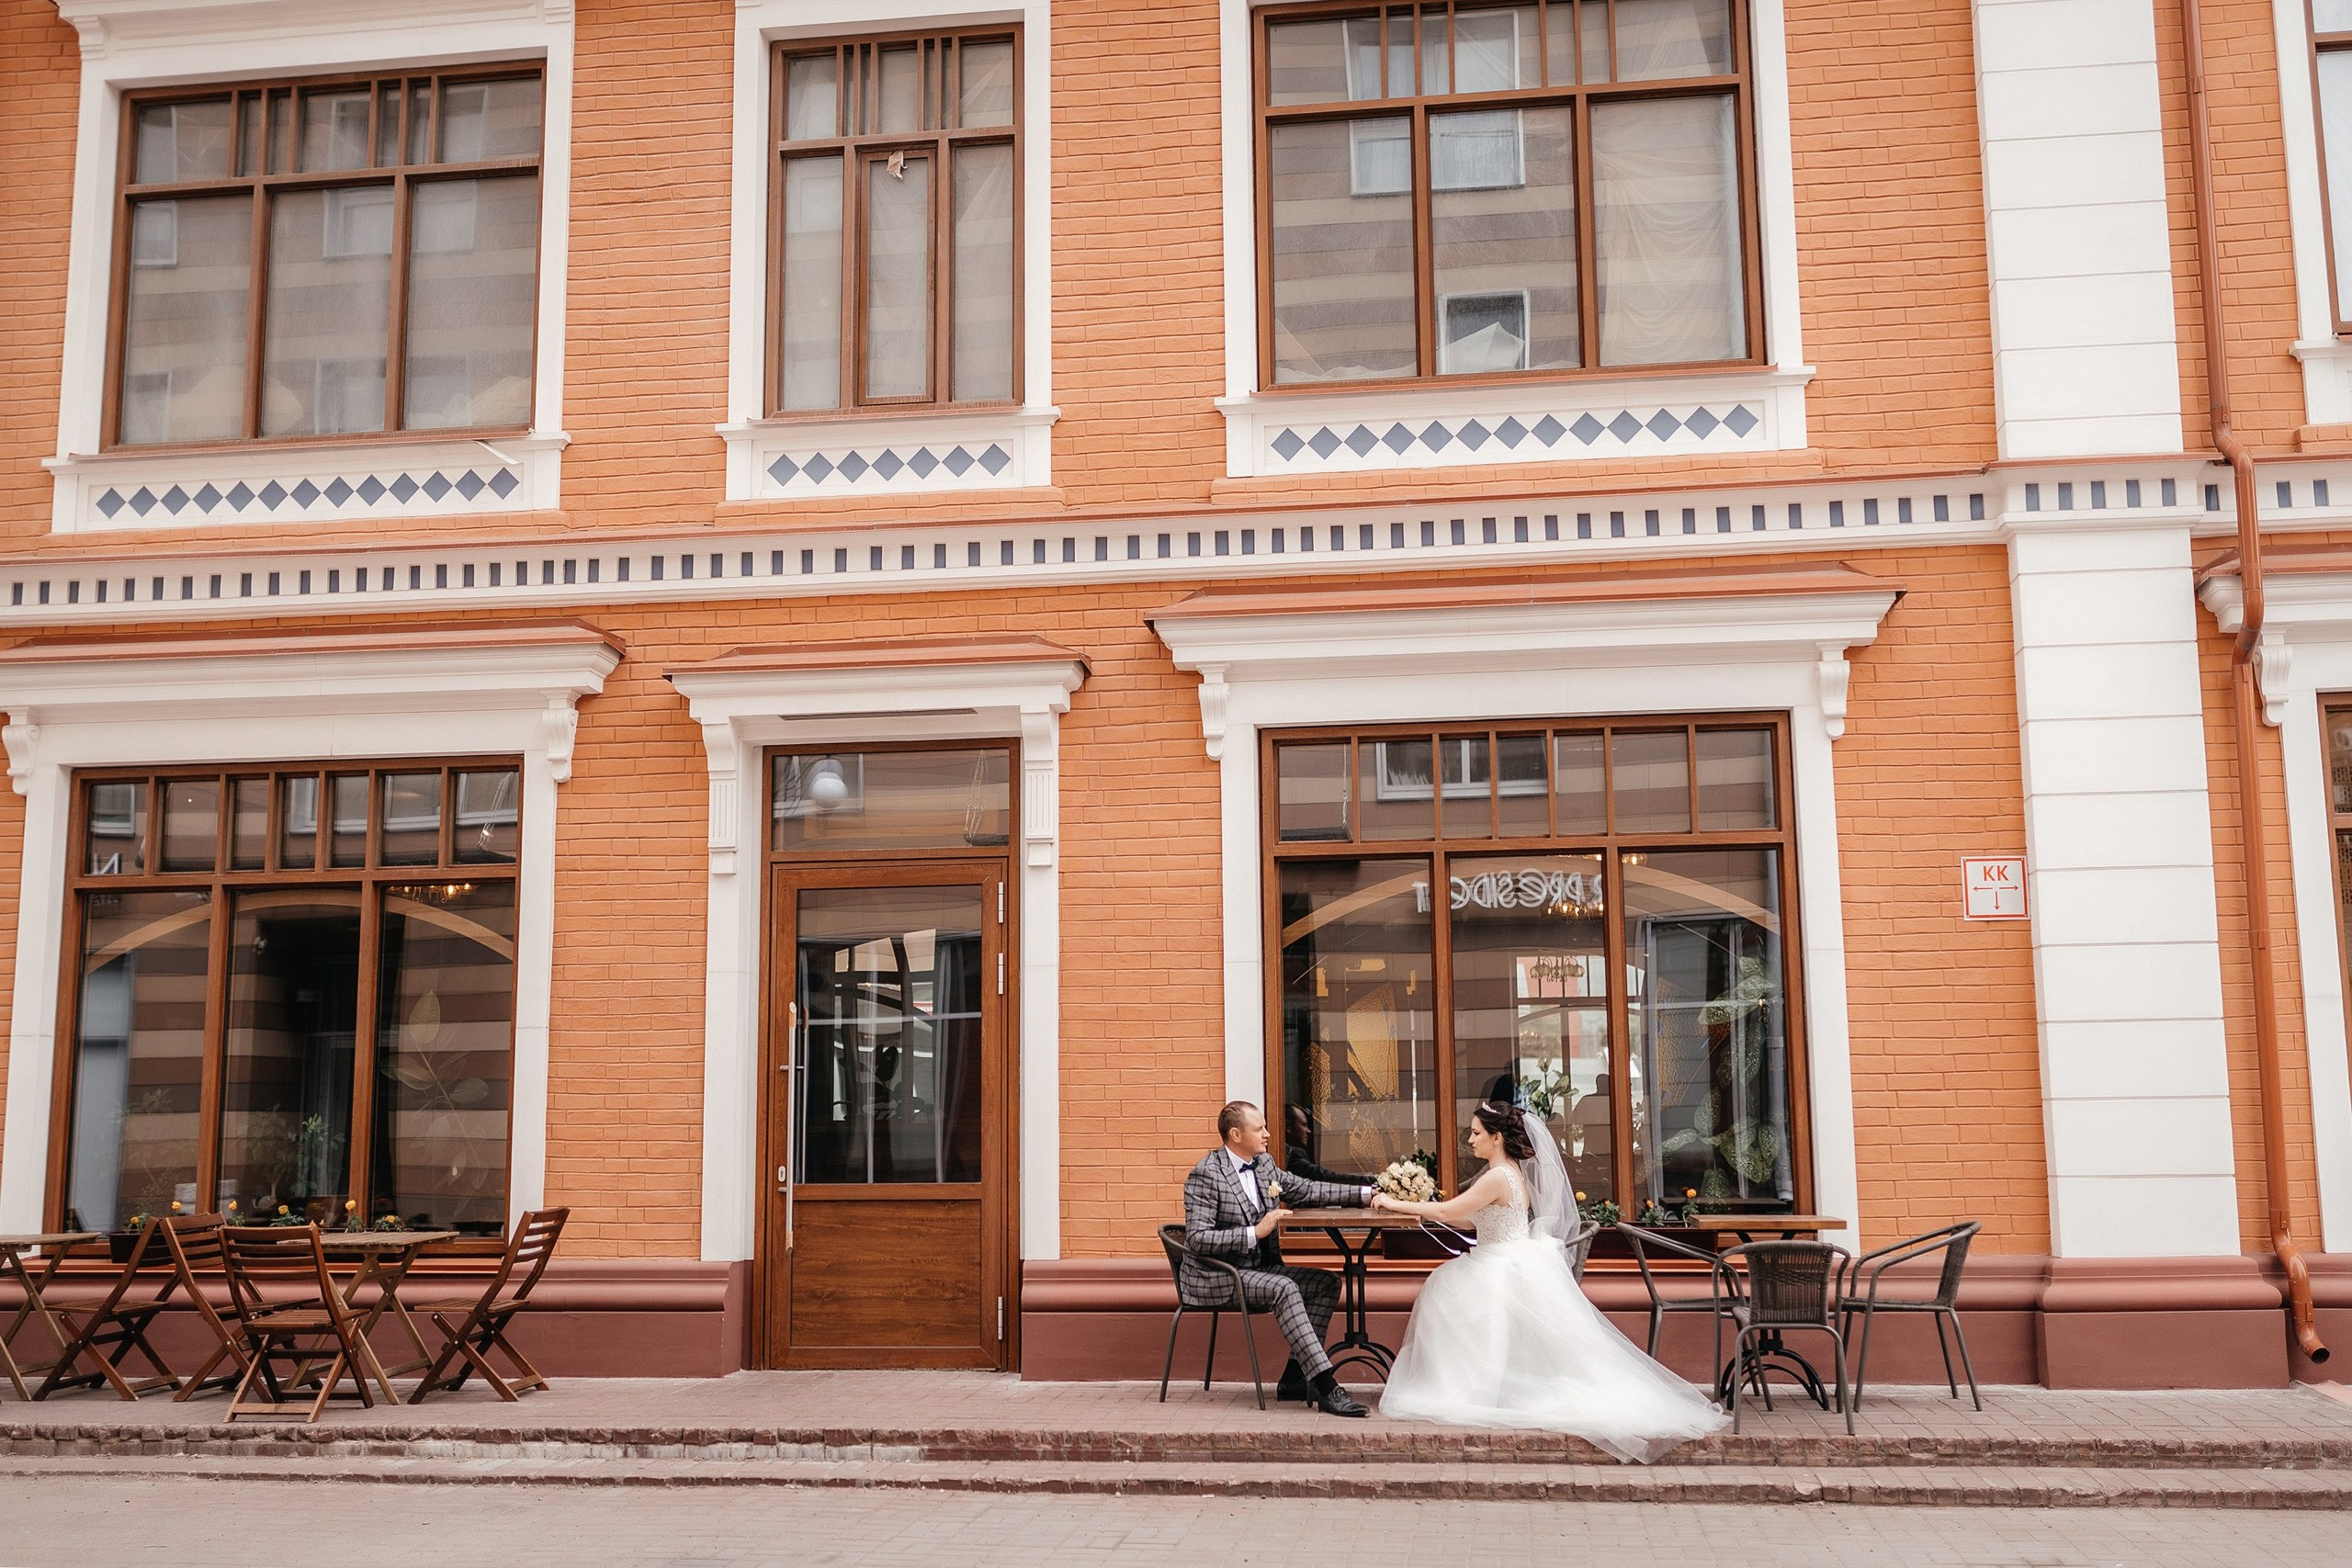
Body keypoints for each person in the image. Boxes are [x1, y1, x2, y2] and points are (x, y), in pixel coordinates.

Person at [1371, 1100, 1728, 1461]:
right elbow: (1468, 1220)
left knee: (1452, 1297)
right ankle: (1484, 1389)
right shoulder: (1507, 1173)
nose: (1471, 1140)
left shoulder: (1498, 1176)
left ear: (1497, 1138)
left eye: (1477, 1133)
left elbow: (1450, 1211)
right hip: (1503, 1256)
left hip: (1501, 1264)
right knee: (1447, 1293)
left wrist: (1396, 1203)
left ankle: (1475, 1393)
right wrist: (1419, 1206)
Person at [1182, 1100, 1377, 1417]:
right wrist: (1255, 1232)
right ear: (1235, 1134)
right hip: (1217, 1276)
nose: (1268, 1134)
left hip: (1258, 1269)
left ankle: (1295, 1379)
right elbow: (1197, 1239)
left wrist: (1368, 1194)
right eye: (1259, 1128)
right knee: (1285, 1287)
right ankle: (1327, 1387)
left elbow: (1307, 1190)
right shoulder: (1206, 1174)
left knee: (1325, 1283)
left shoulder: (1264, 1166)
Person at [1283, 1103, 1370, 1188]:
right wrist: (1371, 1180)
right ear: (1288, 1126)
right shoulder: (1292, 1156)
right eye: (1304, 1125)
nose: (1308, 1131)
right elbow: (1325, 1176)